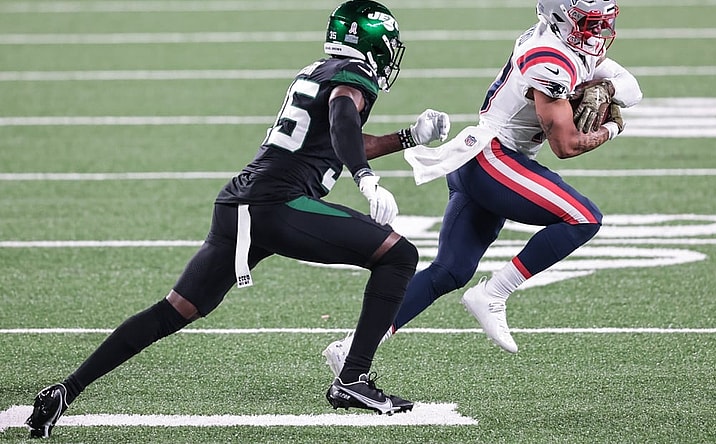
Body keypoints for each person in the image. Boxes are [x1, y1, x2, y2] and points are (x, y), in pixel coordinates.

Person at [24, 0, 451, 438]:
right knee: (399, 255)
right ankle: (352, 378)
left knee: (174, 310)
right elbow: (343, 121)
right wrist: (364, 177)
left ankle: (64, 390)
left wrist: (409, 137)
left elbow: (339, 138)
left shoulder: (318, 71)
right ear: (373, 43)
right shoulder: (351, 77)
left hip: (240, 203)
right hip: (277, 204)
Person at [322, 0, 642, 374]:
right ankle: (495, 292)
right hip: (493, 159)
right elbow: (566, 145)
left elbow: (632, 88)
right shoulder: (548, 57)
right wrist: (613, 127)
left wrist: (606, 87)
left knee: (450, 271)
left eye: (599, 23)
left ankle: (351, 348)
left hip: (481, 159)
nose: (597, 33)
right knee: (583, 218)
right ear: (561, 19)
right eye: (588, 23)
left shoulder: (567, 45)